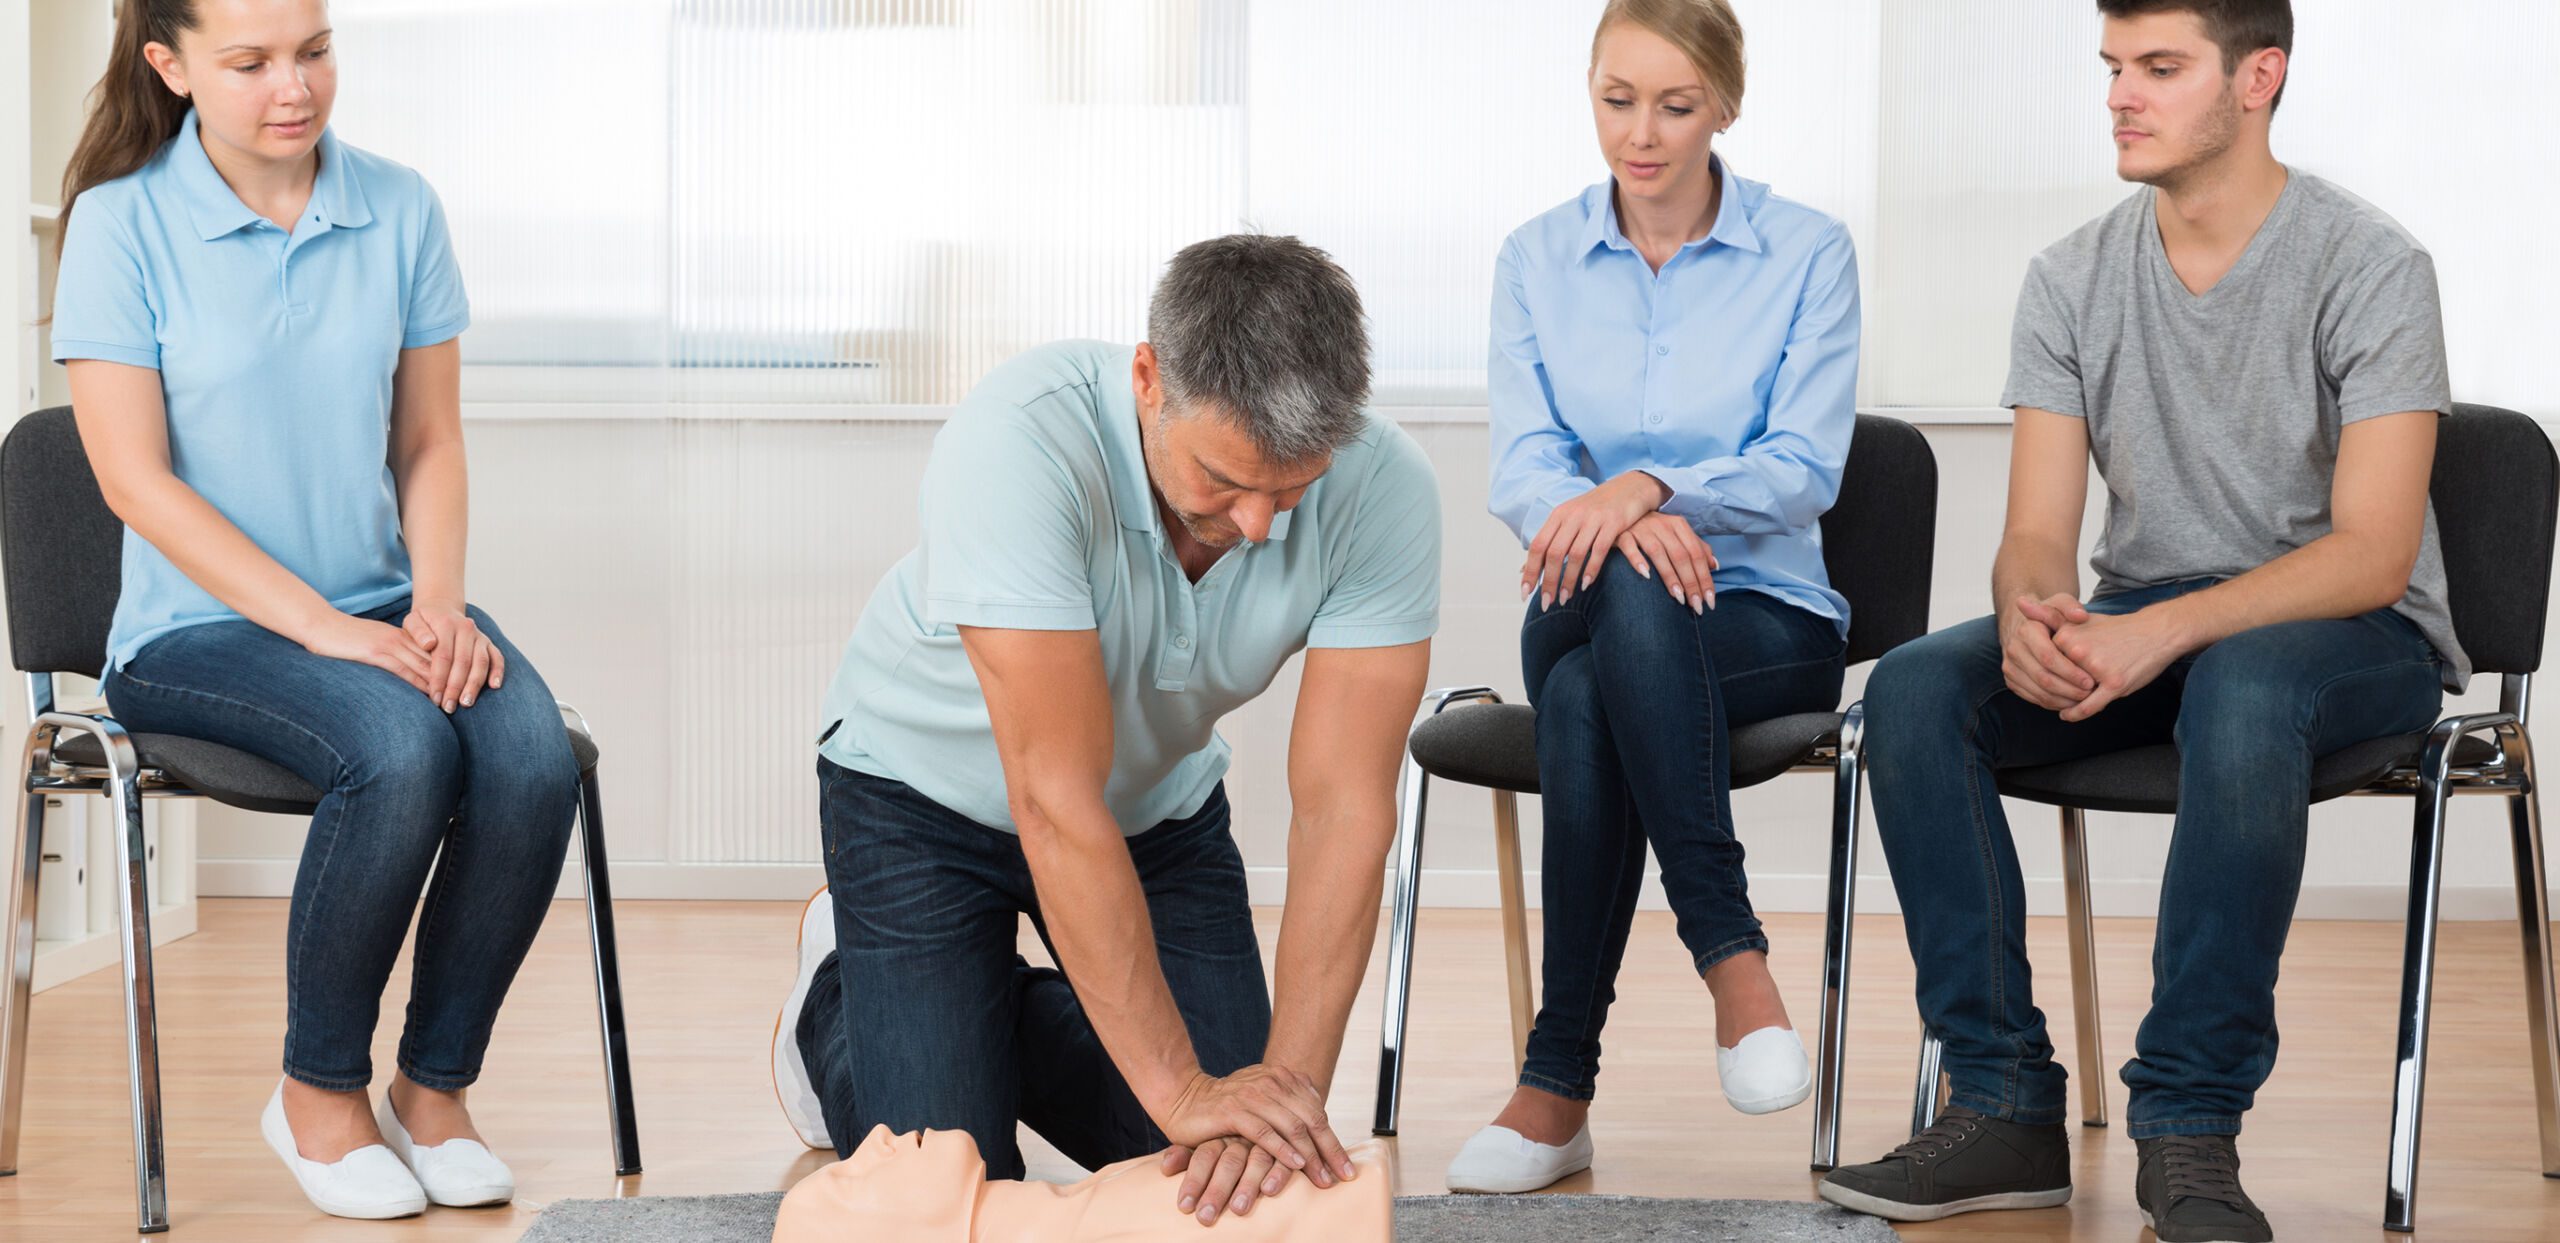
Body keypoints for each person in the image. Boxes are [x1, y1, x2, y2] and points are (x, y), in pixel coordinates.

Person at [1817, 3, 2456, 1239]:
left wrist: (2162, 634)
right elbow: (2039, 533)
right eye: (2113, 68)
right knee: (1911, 687)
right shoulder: (2069, 276)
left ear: (2257, 78)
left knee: (2245, 685)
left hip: (2348, 639)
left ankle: (2185, 1123)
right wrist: (2028, 614)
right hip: (2148, 620)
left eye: (2159, 68)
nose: (2120, 94)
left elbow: (2372, 554)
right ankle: (2001, 1099)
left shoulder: (2371, 262)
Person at [769, 234, 1441, 1229]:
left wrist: (1279, 1097)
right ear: (1148, 379)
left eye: (1289, 490)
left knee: (1222, 1178)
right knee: (947, 1176)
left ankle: (970, 999)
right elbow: (1053, 795)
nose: (1257, 525)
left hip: (1154, 817)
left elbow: (1343, 812)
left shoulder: (1385, 491)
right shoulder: (1020, 440)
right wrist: (1182, 1090)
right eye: (1223, 478)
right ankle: (837, 999)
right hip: (919, 802)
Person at [46, 0, 581, 1222]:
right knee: (397, 749)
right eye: (249, 64)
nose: (293, 87)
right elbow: (135, 481)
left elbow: (433, 440)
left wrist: (434, 607)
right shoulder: (123, 225)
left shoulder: (397, 207)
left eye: (314, 52)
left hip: (382, 603)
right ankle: (316, 1095)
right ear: (170, 68)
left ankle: (432, 1089)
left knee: (531, 754)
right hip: (192, 633)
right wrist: (326, 630)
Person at [1443, 0, 1860, 1197]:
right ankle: (1732, 960)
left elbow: (1804, 466)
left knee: (1583, 701)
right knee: (1620, 594)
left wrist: (1649, 487)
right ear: (1588, 89)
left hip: (1764, 617)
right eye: (1617, 99)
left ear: (1725, 105)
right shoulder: (1534, 256)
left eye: (1676, 106)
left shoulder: (1808, 250)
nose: (1643, 133)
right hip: (1574, 591)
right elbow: (1524, 467)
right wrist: (1617, 522)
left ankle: (1555, 1085)